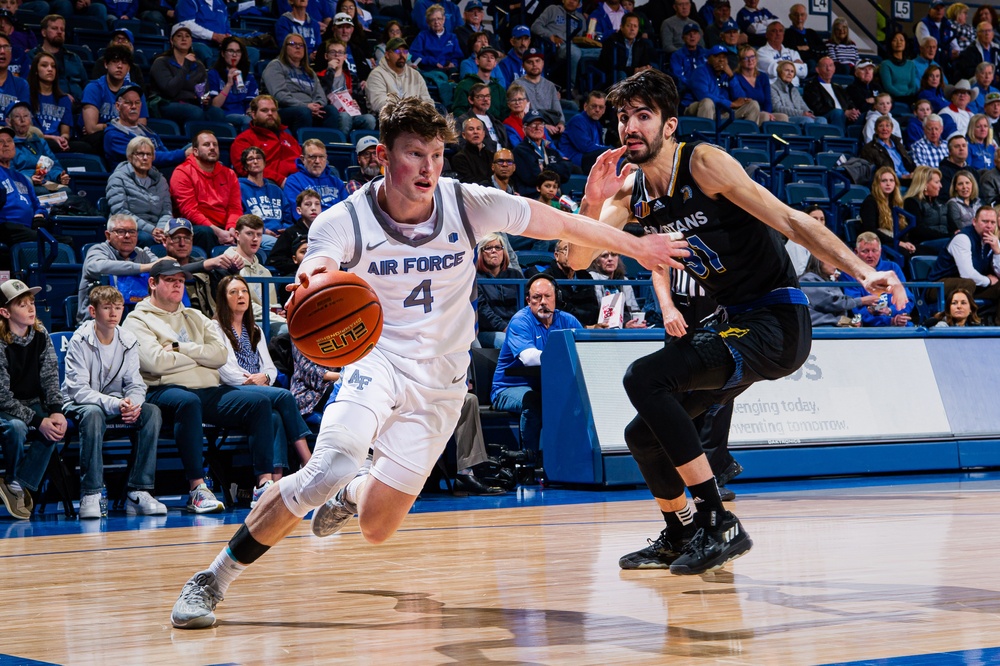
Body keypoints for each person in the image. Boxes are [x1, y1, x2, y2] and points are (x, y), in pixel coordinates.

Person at [168, 95, 691, 629]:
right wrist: (314, 281)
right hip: (379, 360)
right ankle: (214, 577)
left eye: (437, 155)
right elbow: (321, 265)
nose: (428, 168)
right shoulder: (344, 218)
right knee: (328, 466)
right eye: (415, 154)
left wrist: (639, 247)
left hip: (442, 384)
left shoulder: (467, 202)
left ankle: (352, 493)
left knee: (376, 527)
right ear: (383, 158)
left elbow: (561, 226)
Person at [565, 69, 904, 574]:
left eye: (643, 116)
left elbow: (790, 219)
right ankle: (680, 531)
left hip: (777, 318)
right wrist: (592, 201)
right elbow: (575, 259)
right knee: (642, 436)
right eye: (622, 118)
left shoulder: (702, 163)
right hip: (731, 323)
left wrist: (861, 270)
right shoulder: (626, 192)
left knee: (644, 376)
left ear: (670, 125)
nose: (630, 127)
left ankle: (718, 521)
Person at [124, 259, 277, 515]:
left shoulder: (195, 315)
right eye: (170, 280)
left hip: (207, 390)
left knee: (259, 402)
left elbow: (219, 356)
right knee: (188, 402)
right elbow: (155, 363)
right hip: (164, 392)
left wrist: (179, 349)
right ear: (153, 283)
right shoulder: (137, 320)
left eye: (181, 281)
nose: (177, 285)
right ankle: (197, 488)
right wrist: (200, 359)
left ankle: (262, 484)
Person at [62, 285, 165, 519]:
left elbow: (136, 384)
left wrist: (134, 404)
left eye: (117, 308)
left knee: (151, 412)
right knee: (92, 414)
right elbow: (78, 390)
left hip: (116, 404)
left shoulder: (128, 339)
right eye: (107, 308)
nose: (113, 313)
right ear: (92, 310)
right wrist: (115, 404)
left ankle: (139, 491)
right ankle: (91, 493)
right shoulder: (80, 340)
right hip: (79, 404)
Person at [213, 275, 311, 489]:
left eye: (244, 291)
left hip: (257, 390)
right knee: (284, 395)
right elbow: (226, 372)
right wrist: (255, 381)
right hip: (231, 391)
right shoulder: (215, 328)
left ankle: (272, 485)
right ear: (223, 298)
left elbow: (270, 368)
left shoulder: (254, 329)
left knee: (274, 416)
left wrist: (264, 378)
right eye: (233, 292)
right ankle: (309, 462)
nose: (241, 296)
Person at [490, 271, 583, 458]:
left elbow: (585, 351)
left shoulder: (567, 320)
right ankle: (530, 459)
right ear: (528, 300)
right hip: (507, 388)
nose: (543, 302)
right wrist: (563, 357)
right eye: (536, 297)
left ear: (556, 298)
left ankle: (571, 458)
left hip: (545, 387)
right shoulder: (520, 321)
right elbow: (529, 358)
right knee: (534, 401)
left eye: (548, 296)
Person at [0, 279, 65, 521]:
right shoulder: (0, 341)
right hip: (3, 405)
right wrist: (39, 421)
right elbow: (2, 397)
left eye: (32, 303)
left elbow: (50, 377)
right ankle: (15, 483)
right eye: (22, 304)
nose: (31, 309)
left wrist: (56, 411)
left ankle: (16, 484)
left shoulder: (40, 334)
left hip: (31, 400)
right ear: (5, 312)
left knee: (55, 427)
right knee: (16, 428)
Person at [77, 214, 164, 323]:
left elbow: (161, 267)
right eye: (121, 231)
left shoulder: (143, 253)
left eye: (132, 232)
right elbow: (97, 267)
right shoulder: (97, 251)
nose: (127, 236)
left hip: (139, 320)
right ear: (108, 235)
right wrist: (143, 267)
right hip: (98, 322)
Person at [170, 130, 242, 251]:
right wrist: (218, 232)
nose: (212, 148)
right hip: (197, 227)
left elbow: (235, 207)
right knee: (205, 232)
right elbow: (190, 211)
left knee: (248, 230)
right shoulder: (182, 172)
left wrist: (231, 229)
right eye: (207, 145)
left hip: (225, 227)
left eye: (215, 144)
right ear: (195, 151)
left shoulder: (229, 174)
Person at [928, 205, 1000, 324]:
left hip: (972, 286)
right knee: (968, 283)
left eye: (992, 222)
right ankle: (950, 323)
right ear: (974, 221)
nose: (989, 226)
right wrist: (987, 280)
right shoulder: (963, 238)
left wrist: (997, 252)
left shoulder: (993, 241)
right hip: (939, 286)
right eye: (985, 221)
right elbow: (967, 274)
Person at [261, 34, 341, 137]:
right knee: (303, 113)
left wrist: (317, 106)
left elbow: (320, 95)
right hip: (284, 109)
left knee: (331, 111)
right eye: (293, 44)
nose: (298, 47)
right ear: (285, 48)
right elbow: (279, 95)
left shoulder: (309, 72)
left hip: (309, 110)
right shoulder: (276, 66)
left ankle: (328, 147)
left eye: (301, 45)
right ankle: (301, 148)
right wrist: (306, 106)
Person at [150, 25, 226, 128]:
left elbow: (203, 91)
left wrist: (204, 99)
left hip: (193, 104)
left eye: (187, 36)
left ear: (191, 41)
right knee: (195, 112)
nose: (184, 38)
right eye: (179, 36)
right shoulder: (161, 62)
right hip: (167, 103)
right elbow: (170, 90)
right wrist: (185, 66)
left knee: (217, 113)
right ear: (172, 41)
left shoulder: (198, 65)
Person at [222, 215, 286, 334]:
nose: (255, 239)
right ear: (237, 235)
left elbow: (271, 304)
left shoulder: (265, 271)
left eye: (259, 234)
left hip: (266, 320)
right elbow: (241, 305)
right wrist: (274, 316)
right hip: (240, 321)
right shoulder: (228, 266)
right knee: (285, 330)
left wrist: (277, 312)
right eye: (250, 233)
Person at [104, 84, 190, 169]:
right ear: (118, 106)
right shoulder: (113, 135)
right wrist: (183, 154)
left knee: (196, 147)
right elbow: (146, 158)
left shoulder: (146, 131)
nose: (134, 107)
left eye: (137, 103)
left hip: (157, 175)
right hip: (132, 180)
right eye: (128, 103)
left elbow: (164, 152)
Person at [80, 45, 148, 151]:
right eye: (115, 61)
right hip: (98, 140)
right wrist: (124, 125)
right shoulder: (93, 88)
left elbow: (141, 125)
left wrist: (103, 126)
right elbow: (91, 129)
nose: (120, 66)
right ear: (106, 64)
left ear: (129, 68)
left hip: (126, 138)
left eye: (124, 63)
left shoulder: (135, 90)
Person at [106, 136, 170, 248]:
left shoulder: (161, 180)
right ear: (130, 157)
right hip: (129, 229)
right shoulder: (118, 178)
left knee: (182, 238)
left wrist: (161, 230)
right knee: (145, 238)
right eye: (140, 154)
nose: (145, 158)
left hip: (157, 229)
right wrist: (151, 230)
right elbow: (120, 211)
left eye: (148, 154)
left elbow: (167, 210)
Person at [231, 95, 301, 186]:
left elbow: (302, 163)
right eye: (264, 110)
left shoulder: (288, 138)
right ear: (253, 114)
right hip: (266, 186)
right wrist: (281, 180)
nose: (270, 113)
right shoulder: (244, 139)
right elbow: (245, 168)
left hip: (296, 185)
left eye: (273, 110)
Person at [6, 100, 70, 196]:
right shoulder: (6, 143)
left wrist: (59, 176)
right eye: (17, 116)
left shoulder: (39, 141)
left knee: (66, 192)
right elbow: (9, 172)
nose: (22, 120)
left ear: (31, 119)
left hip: (45, 181)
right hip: (23, 184)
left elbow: (53, 164)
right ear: (9, 121)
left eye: (26, 116)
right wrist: (30, 179)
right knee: (41, 192)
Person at [533, 0, 601, 90]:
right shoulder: (552, 9)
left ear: (579, 4)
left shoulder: (580, 18)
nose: (571, 1)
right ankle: (571, 88)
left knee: (602, 52)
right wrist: (550, 36)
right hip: (558, 48)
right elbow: (535, 26)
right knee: (574, 52)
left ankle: (596, 89)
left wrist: (590, 37)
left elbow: (581, 37)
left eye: (575, 0)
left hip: (577, 47)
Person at [316, 38, 377, 136]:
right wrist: (330, 71)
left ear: (345, 57)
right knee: (344, 116)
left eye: (340, 53)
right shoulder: (319, 77)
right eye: (333, 52)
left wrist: (358, 106)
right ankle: (343, 145)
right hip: (332, 115)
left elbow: (362, 101)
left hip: (352, 114)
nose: (336, 55)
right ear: (326, 56)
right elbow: (322, 95)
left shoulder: (352, 77)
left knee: (369, 119)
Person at [688, 44, 760, 124]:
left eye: (724, 57)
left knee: (753, 104)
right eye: (717, 56)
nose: (721, 60)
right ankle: (704, 134)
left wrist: (731, 76)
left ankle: (747, 135)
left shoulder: (728, 74)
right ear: (709, 59)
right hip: (699, 108)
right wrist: (730, 104)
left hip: (722, 111)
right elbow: (703, 95)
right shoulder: (700, 71)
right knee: (707, 102)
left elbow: (740, 98)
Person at [476, 232, 524, 349]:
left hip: (515, 328)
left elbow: (527, 305)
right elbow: (483, 312)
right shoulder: (475, 278)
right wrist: (505, 327)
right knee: (507, 341)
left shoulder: (515, 275)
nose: (494, 251)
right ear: (481, 253)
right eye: (488, 248)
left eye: (498, 247)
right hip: (489, 331)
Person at [799, 254, 876, 326]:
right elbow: (831, 303)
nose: (835, 265)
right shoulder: (808, 280)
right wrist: (861, 301)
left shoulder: (830, 281)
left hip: (834, 326)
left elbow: (840, 307)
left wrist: (849, 322)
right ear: (819, 259)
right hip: (820, 328)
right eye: (832, 261)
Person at [365, 37, 433, 115]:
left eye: (405, 51)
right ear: (387, 55)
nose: (401, 55)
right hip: (387, 121)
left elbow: (428, 102)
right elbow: (378, 104)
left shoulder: (415, 75)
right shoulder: (377, 75)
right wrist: (407, 110)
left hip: (415, 120)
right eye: (397, 51)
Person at [282, 139, 348, 219]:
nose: (317, 161)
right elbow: (298, 215)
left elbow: (347, 210)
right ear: (303, 159)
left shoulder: (337, 182)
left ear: (326, 158)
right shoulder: (294, 182)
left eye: (321, 157)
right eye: (312, 157)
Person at [26, 15, 87, 101]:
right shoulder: (32, 56)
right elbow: (29, 86)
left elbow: (85, 85)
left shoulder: (74, 58)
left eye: (62, 29)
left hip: (78, 106)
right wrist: (62, 97)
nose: (59, 32)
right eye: (54, 28)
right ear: (44, 32)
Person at [512, 109, 571, 197]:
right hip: (533, 197)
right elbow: (533, 178)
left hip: (554, 197)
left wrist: (545, 168)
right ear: (524, 129)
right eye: (533, 124)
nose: (537, 127)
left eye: (540, 124)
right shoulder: (520, 151)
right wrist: (554, 170)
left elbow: (566, 174)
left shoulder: (551, 152)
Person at [238, 146, 286, 253]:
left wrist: (286, 230)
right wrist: (263, 231)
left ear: (264, 163)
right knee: (277, 244)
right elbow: (241, 217)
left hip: (280, 235)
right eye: (250, 159)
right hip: (257, 234)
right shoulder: (240, 188)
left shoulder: (276, 190)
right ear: (245, 166)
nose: (255, 161)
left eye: (258, 158)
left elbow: (287, 216)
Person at [206, 37, 259, 132]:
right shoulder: (213, 74)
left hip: (244, 115)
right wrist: (229, 84)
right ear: (223, 53)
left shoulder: (249, 77)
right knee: (246, 121)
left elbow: (252, 104)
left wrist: (250, 111)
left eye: (238, 52)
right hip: (224, 115)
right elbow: (215, 105)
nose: (234, 55)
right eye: (230, 51)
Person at [26, 51, 74, 153]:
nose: (50, 69)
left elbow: (65, 131)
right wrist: (52, 138)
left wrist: (63, 139)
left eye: (53, 66)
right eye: (44, 65)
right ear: (36, 70)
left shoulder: (64, 99)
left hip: (57, 140)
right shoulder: (27, 95)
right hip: (36, 140)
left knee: (84, 147)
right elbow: (28, 131)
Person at [859, 167, 913, 255]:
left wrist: (907, 242)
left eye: (891, 180)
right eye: (884, 181)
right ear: (877, 184)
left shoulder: (896, 202)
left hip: (894, 241)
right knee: (904, 253)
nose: (888, 184)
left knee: (920, 251)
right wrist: (898, 243)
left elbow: (901, 227)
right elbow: (870, 230)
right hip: (878, 243)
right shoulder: (870, 202)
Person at [269, 189, 322, 277]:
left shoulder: (325, 233)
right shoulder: (290, 233)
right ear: (299, 210)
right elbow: (275, 259)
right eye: (308, 204)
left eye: (317, 204)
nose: (313, 208)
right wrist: (301, 267)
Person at [514, 48, 566, 136]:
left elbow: (558, 110)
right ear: (523, 66)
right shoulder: (517, 85)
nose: (534, 65)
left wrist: (561, 124)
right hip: (531, 129)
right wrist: (543, 126)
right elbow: (522, 115)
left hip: (552, 127)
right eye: (530, 62)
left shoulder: (550, 85)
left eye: (537, 61)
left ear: (543, 63)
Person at [588, 249, 646, 327]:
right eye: (604, 256)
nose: (610, 259)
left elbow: (634, 309)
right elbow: (595, 312)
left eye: (614, 255)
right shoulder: (592, 278)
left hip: (624, 328)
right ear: (597, 262)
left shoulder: (624, 281)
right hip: (601, 328)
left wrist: (634, 322)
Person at [730, 45, 786, 124]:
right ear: (740, 61)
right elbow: (739, 98)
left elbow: (767, 100)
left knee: (783, 117)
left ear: (756, 59)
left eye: (752, 57)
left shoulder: (763, 77)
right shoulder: (735, 77)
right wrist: (764, 113)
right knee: (764, 116)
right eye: (746, 58)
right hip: (745, 112)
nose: (750, 61)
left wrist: (768, 112)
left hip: (764, 111)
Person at [803, 56, 861, 131]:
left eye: (831, 65)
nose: (828, 69)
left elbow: (849, 102)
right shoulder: (811, 86)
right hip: (826, 116)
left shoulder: (838, 87)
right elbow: (817, 108)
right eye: (825, 66)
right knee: (837, 113)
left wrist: (853, 111)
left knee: (864, 116)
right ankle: (840, 140)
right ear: (817, 69)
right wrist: (844, 112)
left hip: (844, 115)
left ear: (834, 69)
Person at [901, 165, 949, 254]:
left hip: (945, 240)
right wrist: (948, 236)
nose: (941, 186)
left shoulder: (941, 203)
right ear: (925, 184)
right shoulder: (911, 202)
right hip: (924, 244)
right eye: (937, 182)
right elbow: (919, 231)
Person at [598, 12, 655, 83]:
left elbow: (645, 61)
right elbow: (611, 66)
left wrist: (646, 67)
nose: (632, 29)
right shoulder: (612, 41)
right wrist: (634, 70)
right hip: (614, 76)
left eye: (635, 26)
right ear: (621, 27)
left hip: (635, 74)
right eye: (629, 26)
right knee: (622, 74)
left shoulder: (641, 43)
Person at [452, 45, 505, 117]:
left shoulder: (499, 89)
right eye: (485, 56)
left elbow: (505, 113)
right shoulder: (465, 85)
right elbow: (459, 111)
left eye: (492, 57)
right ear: (477, 61)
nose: (489, 60)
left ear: (495, 63)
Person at [860, 115, 915, 180]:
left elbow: (909, 163)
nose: (884, 129)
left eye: (887, 126)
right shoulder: (869, 148)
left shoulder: (898, 144)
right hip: (890, 180)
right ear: (876, 130)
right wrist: (902, 176)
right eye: (881, 126)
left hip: (908, 176)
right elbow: (876, 172)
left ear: (892, 129)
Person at [757, 21, 807, 86]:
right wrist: (795, 64)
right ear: (767, 35)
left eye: (780, 31)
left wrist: (781, 63)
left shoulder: (792, 52)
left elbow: (803, 72)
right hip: (774, 89)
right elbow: (774, 71)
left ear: (783, 34)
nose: (778, 34)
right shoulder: (761, 52)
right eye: (774, 31)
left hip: (795, 88)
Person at [771, 60, 821, 125]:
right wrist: (801, 113)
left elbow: (803, 105)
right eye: (787, 70)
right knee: (807, 120)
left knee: (821, 120)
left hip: (799, 116)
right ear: (780, 72)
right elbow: (777, 108)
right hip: (786, 117)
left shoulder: (794, 90)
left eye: (792, 71)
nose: (789, 73)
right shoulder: (772, 88)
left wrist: (808, 112)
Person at [880, 30, 919, 106]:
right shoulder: (885, 64)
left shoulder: (910, 64)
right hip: (894, 98)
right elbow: (888, 87)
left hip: (909, 97)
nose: (899, 43)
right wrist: (902, 95)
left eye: (901, 40)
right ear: (890, 43)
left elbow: (913, 86)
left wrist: (907, 95)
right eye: (895, 40)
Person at [451, 116, 493, 185]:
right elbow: (468, 182)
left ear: (483, 134)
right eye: (471, 129)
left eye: (478, 129)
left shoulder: (491, 156)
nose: (475, 132)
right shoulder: (459, 158)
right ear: (464, 135)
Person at [783, 3, 826, 68]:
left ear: (806, 16)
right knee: (812, 63)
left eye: (802, 15)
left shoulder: (811, 32)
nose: (799, 18)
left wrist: (809, 47)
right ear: (790, 17)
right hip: (800, 64)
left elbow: (823, 48)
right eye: (796, 15)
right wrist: (799, 48)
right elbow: (789, 49)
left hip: (816, 61)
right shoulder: (787, 33)